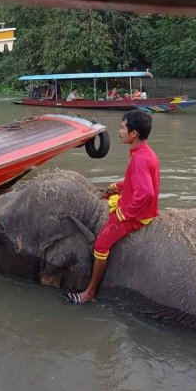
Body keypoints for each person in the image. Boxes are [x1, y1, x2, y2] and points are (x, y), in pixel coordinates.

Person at [64, 109, 160, 305]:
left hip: (136, 215)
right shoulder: (144, 152)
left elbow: (147, 193)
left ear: (134, 134)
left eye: (123, 127)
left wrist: (124, 214)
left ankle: (89, 292)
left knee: (100, 246)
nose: (119, 131)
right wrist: (117, 187)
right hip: (137, 205)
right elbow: (137, 182)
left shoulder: (140, 158)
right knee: (112, 196)